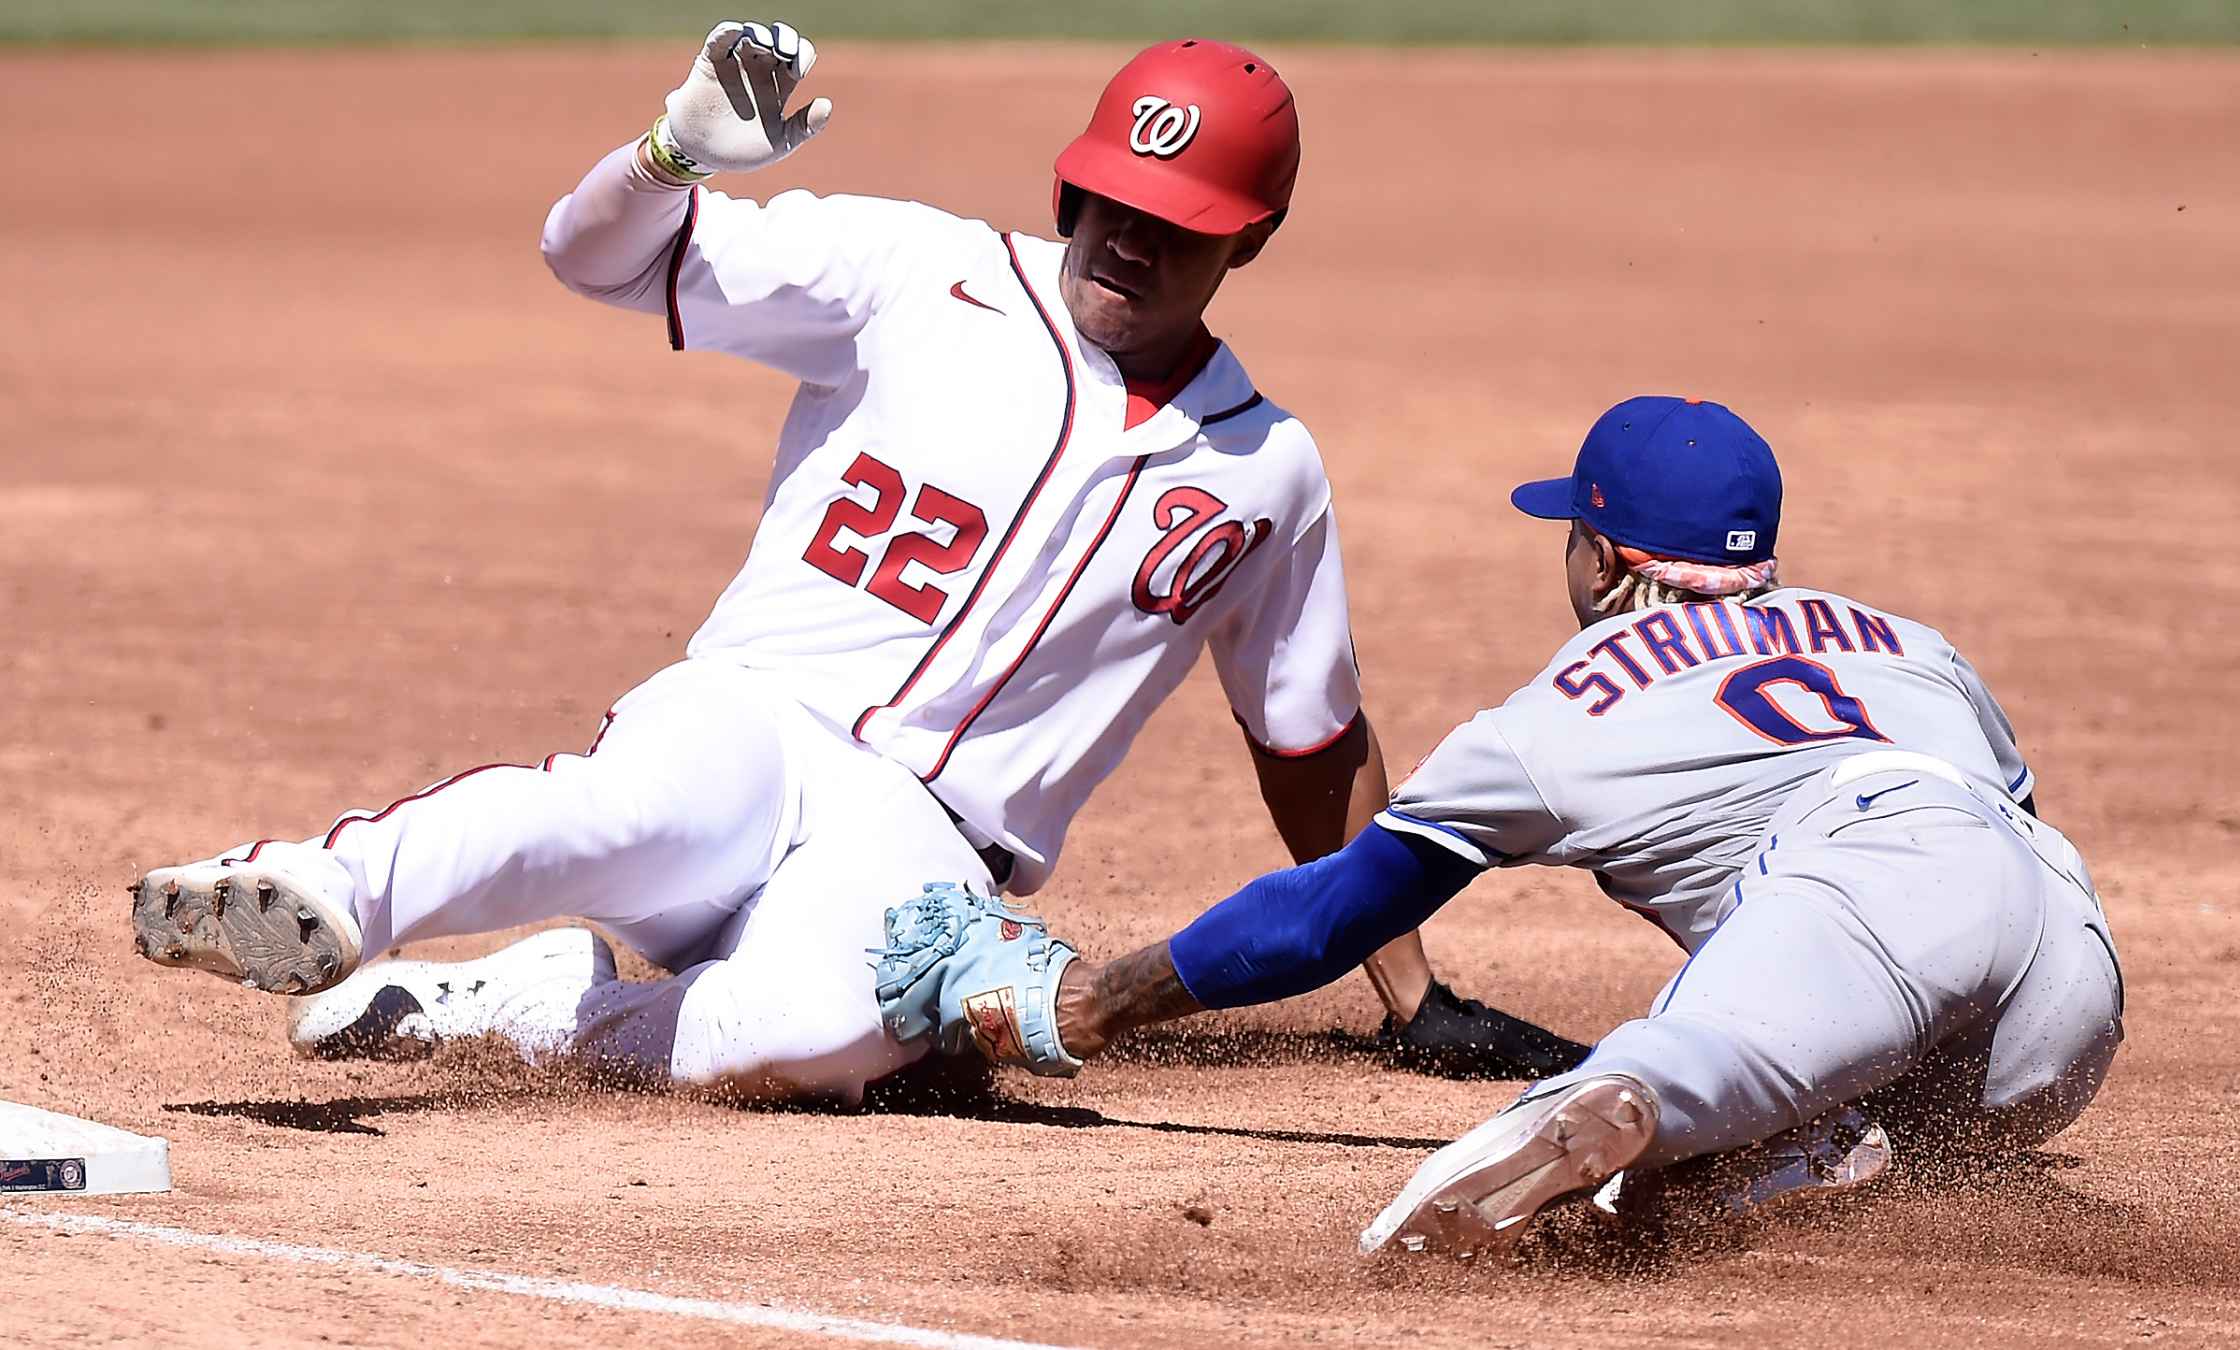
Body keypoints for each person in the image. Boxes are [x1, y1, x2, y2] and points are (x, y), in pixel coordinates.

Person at [128, 26, 1582, 1103]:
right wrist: (670, 157)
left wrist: (1412, 989)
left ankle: (519, 1008)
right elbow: (593, 260)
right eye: (1107, 202)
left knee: (807, 1037)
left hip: (933, 848)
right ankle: (310, 884)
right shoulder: (917, 271)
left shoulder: (1267, 470)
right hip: (758, 719)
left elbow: (1311, 746)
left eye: (1173, 227)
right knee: (611, 812)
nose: (1121, 242)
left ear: (1249, 239)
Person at [874, 395, 2127, 1253]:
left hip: (1861, 903)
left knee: (1656, 1095)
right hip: (2065, 969)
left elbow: (1334, 911)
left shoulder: (1562, 716)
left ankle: (1637, 1110)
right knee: (1900, 1116)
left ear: (1603, 555)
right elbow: (1992, 843)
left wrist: (1101, 1001)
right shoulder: (1912, 643)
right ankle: (1818, 1140)